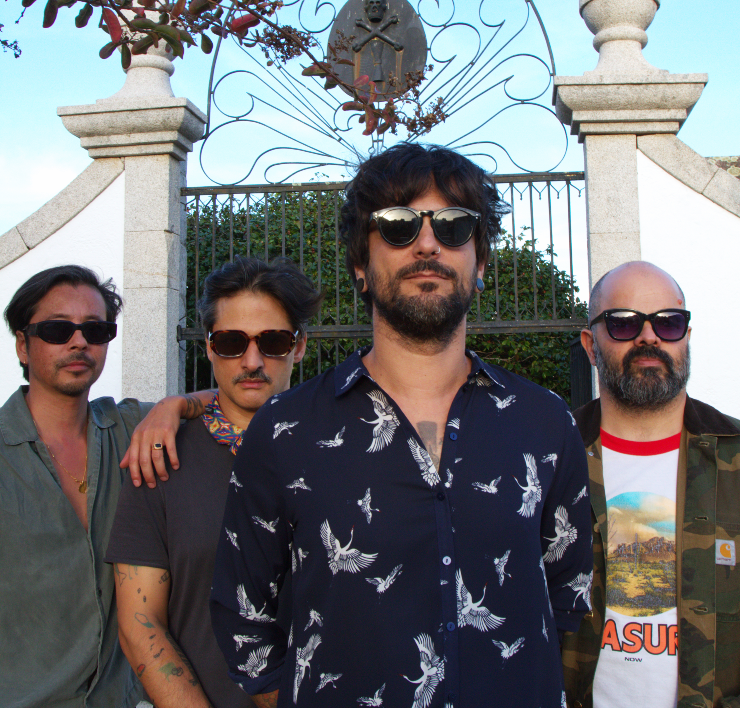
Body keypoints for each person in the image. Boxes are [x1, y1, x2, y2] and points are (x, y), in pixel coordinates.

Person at [211, 144, 593, 708]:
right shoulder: (284, 431)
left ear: (481, 263)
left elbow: (567, 592)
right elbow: (244, 616)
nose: (428, 243)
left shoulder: (545, 423)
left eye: (454, 226)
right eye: (397, 226)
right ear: (360, 266)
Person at [106, 256, 321, 708]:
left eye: (273, 341)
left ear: (299, 346)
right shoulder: (159, 456)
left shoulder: (338, 449)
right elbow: (140, 624)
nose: (252, 361)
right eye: (231, 342)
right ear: (208, 346)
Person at [0, 264, 214, 708]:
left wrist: (176, 405)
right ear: (23, 344)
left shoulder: (131, 427)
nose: (79, 342)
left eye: (96, 330)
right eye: (58, 329)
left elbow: (232, 401)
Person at [562, 261, 740, 708]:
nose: (649, 337)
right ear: (590, 344)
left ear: (686, 337)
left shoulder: (735, 460)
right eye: (623, 323)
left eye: (668, 322)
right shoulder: (549, 459)